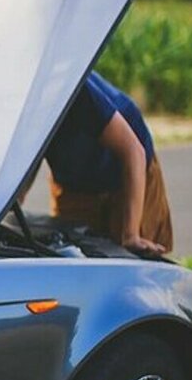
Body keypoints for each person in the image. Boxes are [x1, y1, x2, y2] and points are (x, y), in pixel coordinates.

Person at [44, 71, 173, 255]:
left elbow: (133, 152)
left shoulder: (73, 89)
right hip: (74, 181)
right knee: (69, 254)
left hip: (127, 169)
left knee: (132, 256)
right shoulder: (12, 103)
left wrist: (131, 234)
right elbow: (24, 161)